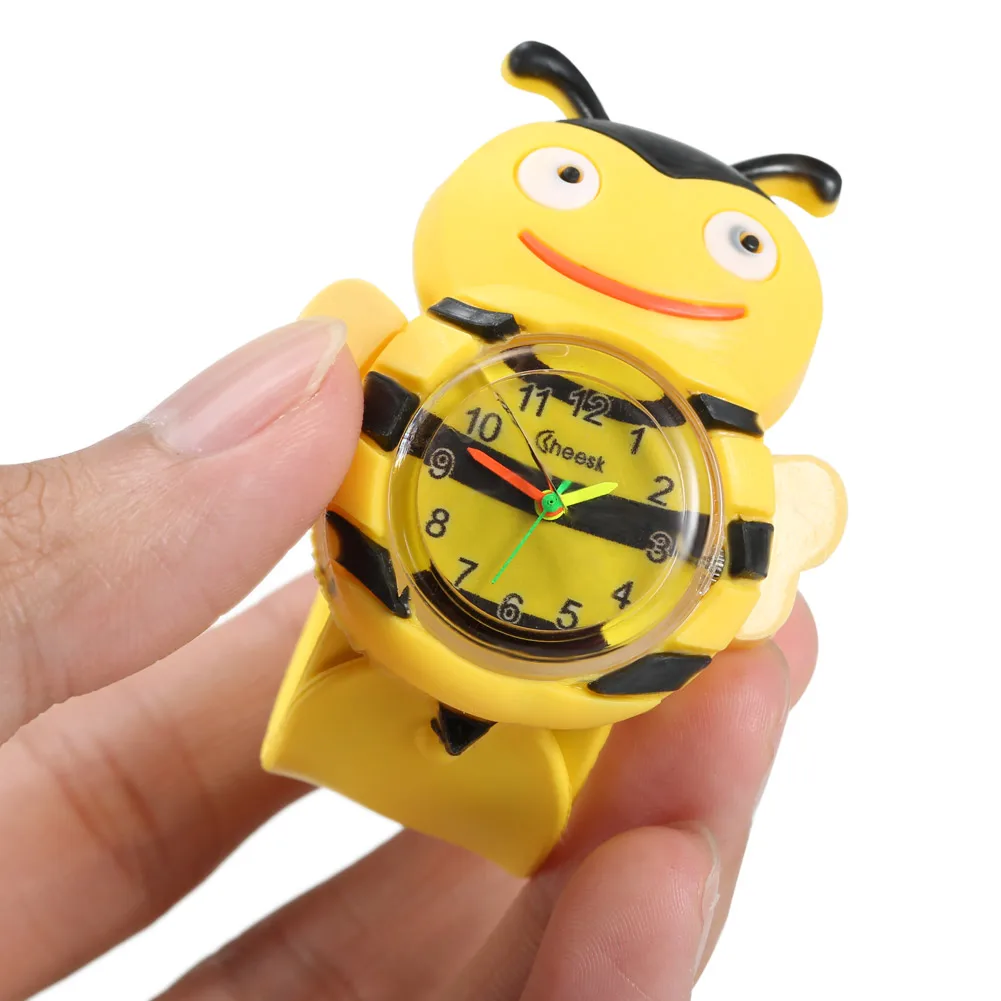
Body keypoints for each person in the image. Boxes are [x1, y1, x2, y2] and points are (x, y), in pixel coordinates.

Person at [0, 317, 817, 1001]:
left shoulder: (712, 464)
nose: (551, 502)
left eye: (560, 503)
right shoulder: (471, 335)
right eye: (545, 497)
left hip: (537, 708)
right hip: (384, 634)